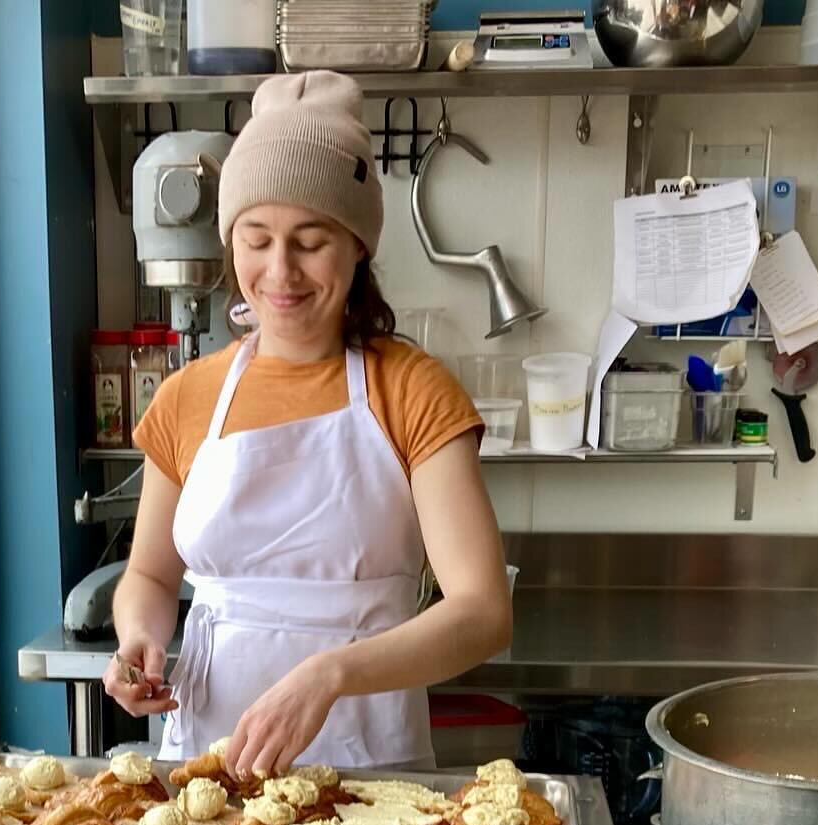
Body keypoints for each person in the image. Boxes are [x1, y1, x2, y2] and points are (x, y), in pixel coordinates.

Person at [103, 70, 512, 777]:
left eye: (311, 239)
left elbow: (482, 612)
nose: (279, 271)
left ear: (357, 245)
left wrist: (330, 674)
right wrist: (138, 638)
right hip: (210, 753)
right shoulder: (186, 396)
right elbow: (149, 572)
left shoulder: (412, 391)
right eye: (255, 238)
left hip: (369, 762)